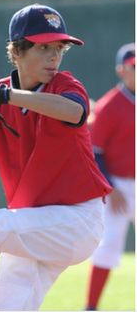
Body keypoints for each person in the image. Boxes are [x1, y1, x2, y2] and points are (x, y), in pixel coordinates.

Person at [0, 3, 112, 311]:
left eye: (59, 48)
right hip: (34, 223)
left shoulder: (63, 85)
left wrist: (5, 96)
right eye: (44, 47)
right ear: (16, 52)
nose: (54, 56)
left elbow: (75, 112)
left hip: (77, 219)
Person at [85, 43, 135, 311]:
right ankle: (91, 306)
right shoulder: (110, 105)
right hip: (119, 185)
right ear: (121, 70)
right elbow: (94, 151)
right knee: (108, 246)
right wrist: (110, 187)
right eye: (134, 67)